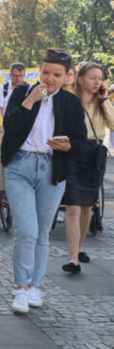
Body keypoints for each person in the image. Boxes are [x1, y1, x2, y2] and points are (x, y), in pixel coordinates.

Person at [2, 49, 86, 314]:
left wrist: (68, 145)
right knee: (26, 230)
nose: (49, 79)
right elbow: (10, 126)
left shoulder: (71, 103)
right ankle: (21, 288)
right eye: (45, 72)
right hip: (19, 167)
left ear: (67, 77)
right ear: (38, 71)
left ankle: (36, 285)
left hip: (53, 168)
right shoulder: (22, 92)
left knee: (41, 233)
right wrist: (30, 100)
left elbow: (81, 143)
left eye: (56, 75)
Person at [62, 62, 114, 274]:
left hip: (95, 154)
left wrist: (104, 101)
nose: (97, 81)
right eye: (92, 77)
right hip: (74, 153)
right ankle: (73, 258)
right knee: (73, 206)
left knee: (87, 207)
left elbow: (113, 124)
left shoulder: (103, 102)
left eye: (99, 78)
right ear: (80, 79)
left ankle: (81, 246)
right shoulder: (71, 101)